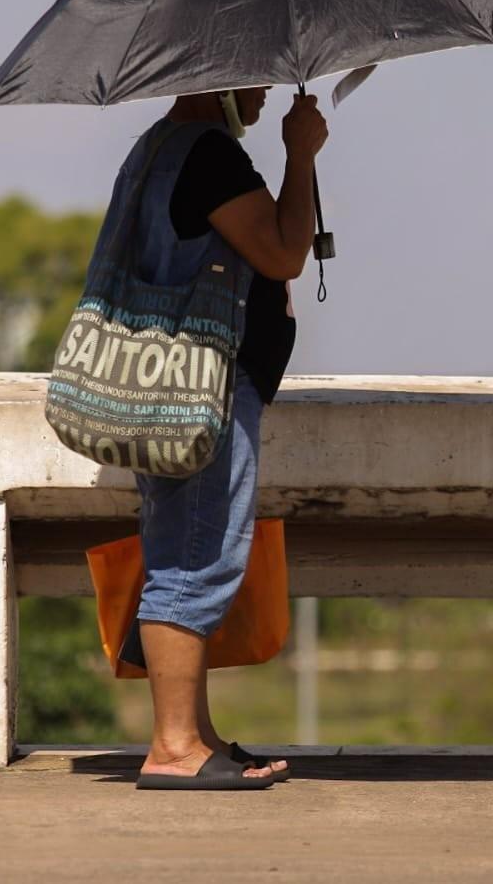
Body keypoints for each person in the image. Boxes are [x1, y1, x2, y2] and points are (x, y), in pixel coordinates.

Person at [127, 85, 328, 790]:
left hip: (167, 385)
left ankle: (194, 735)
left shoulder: (157, 147)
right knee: (195, 559)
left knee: (182, 549)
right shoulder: (209, 154)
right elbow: (282, 254)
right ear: (220, 73)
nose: (267, 89)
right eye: (256, 74)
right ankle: (175, 746)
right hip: (204, 387)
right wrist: (300, 156)